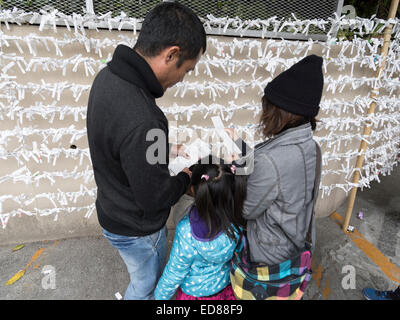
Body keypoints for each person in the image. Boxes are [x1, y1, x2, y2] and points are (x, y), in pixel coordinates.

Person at [86, 2, 206, 300]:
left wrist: (161, 148)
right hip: (136, 228)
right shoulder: (145, 117)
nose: (182, 79)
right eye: (187, 70)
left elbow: (121, 143)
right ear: (172, 54)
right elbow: (153, 198)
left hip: (112, 210)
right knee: (146, 286)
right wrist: (185, 177)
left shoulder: (109, 77)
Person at [227, 55, 324, 266]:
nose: (262, 114)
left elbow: (246, 210)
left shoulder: (271, 161)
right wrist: (237, 142)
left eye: (266, 108)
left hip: (269, 254)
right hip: (296, 240)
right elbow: (279, 175)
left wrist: (232, 178)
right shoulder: (311, 147)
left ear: (278, 112)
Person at [154, 161, 247, 300]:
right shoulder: (237, 218)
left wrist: (159, 296)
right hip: (225, 287)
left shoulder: (186, 230)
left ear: (193, 190)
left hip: (195, 294)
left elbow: (175, 272)